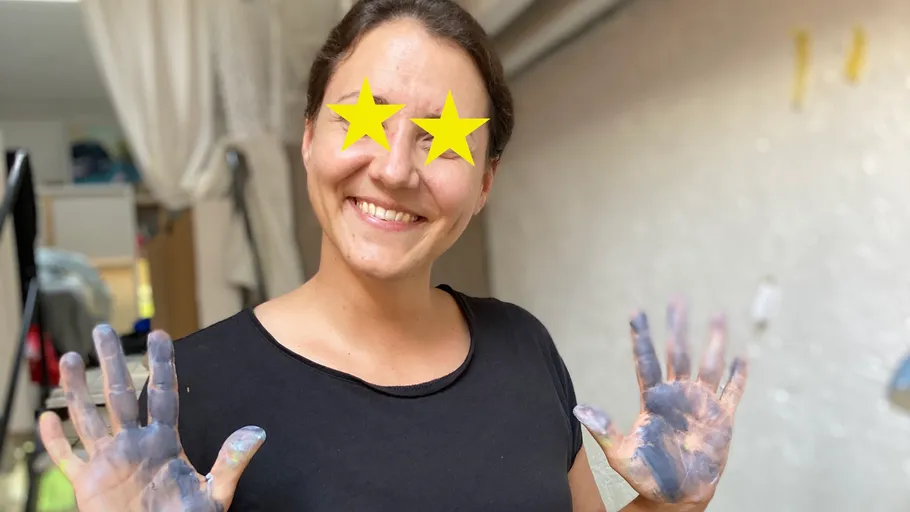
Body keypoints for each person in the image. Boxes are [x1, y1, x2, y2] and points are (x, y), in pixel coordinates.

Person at [37, 0, 748, 510]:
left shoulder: (522, 347)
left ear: (484, 182)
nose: (396, 170)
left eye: (440, 141)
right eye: (364, 119)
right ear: (311, 134)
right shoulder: (191, 391)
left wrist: (671, 508)